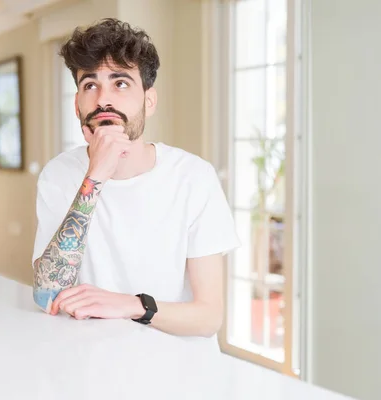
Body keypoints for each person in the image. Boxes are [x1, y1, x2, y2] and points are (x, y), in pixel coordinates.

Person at [32, 18, 240, 338]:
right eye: (90, 85)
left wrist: (131, 305)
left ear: (149, 100)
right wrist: (96, 176)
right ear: (77, 105)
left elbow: (208, 317)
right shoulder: (58, 176)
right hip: (89, 362)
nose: (103, 99)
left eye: (121, 83)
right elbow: (46, 295)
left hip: (175, 372)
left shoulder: (194, 178)